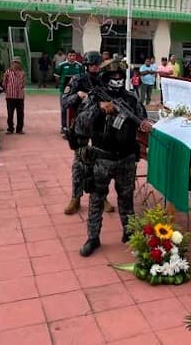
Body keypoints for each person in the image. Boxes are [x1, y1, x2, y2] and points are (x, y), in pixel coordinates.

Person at [74, 59, 151, 257]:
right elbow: (79, 124)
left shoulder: (131, 98)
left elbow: (141, 120)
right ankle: (93, 237)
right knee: (97, 199)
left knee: (126, 199)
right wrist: (99, 109)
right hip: (102, 158)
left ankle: (130, 233)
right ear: (105, 78)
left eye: (119, 76)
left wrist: (144, 125)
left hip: (126, 158)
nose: (116, 80)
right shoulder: (94, 97)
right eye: (112, 76)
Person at [60, 51, 114, 215]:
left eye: (97, 65)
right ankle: (75, 198)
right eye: (92, 65)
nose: (95, 68)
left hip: (100, 128)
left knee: (101, 166)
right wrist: (78, 95)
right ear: (86, 65)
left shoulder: (104, 81)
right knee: (80, 164)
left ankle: (102, 198)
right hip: (82, 127)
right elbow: (65, 101)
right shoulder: (77, 80)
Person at [54, 50, 86, 134]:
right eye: (70, 55)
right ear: (67, 56)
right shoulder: (61, 65)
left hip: (76, 92)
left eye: (74, 56)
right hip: (64, 91)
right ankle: (64, 126)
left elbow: (83, 78)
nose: (72, 57)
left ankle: (75, 125)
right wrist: (60, 85)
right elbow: (57, 77)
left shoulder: (79, 66)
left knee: (77, 108)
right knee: (64, 108)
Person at [3, 57, 26, 134]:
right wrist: (7, 91)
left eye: (18, 63)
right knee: (10, 114)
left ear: (20, 64)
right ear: (12, 63)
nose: (16, 64)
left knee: (20, 114)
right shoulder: (8, 72)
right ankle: (10, 128)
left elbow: (23, 84)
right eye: (15, 62)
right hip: (10, 96)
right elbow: (4, 83)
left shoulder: (22, 73)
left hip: (20, 97)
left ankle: (19, 129)